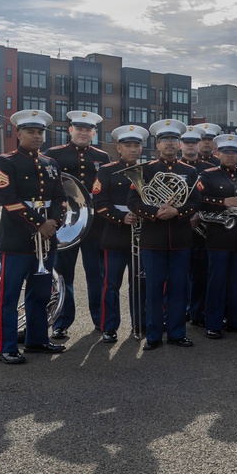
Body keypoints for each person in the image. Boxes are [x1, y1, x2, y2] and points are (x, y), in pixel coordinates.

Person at [0, 109, 68, 364]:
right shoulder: (7, 161)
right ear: (18, 133)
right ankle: (6, 347)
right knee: (10, 295)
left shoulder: (50, 163)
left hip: (47, 239)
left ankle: (36, 340)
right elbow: (8, 200)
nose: (36, 136)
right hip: (17, 239)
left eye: (40, 132)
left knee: (41, 294)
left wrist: (54, 222)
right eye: (31, 132)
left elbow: (60, 197)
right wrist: (39, 223)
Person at [131, 120, 202, 351]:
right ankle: (152, 335)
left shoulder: (190, 171)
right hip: (153, 240)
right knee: (153, 289)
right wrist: (154, 212)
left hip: (181, 239)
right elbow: (131, 201)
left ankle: (177, 333)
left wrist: (178, 211)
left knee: (179, 288)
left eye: (173, 140)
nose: (169, 143)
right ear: (158, 144)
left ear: (179, 144)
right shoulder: (145, 170)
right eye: (165, 140)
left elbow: (195, 201)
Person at [46, 110, 110, 340]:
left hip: (94, 225)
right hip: (65, 224)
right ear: (70, 130)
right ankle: (61, 321)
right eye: (79, 129)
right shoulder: (54, 154)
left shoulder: (102, 157)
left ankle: (101, 320)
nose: (83, 133)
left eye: (88, 130)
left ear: (94, 133)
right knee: (63, 275)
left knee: (98, 274)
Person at [92, 125, 150, 343]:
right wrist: (120, 217)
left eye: (137, 145)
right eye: (128, 145)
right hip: (115, 234)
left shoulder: (149, 169)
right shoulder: (106, 170)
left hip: (142, 234)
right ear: (119, 148)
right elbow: (99, 202)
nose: (133, 149)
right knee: (111, 284)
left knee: (139, 283)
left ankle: (140, 323)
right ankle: (109, 327)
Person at [197, 133, 237, 339]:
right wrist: (223, 202)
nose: (230, 156)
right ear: (217, 153)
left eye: (234, 152)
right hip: (218, 237)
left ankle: (235, 321)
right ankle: (213, 323)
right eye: (225, 152)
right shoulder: (208, 175)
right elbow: (198, 200)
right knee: (217, 281)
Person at [180, 125, 213, 328]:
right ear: (180, 144)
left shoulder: (209, 168)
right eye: (187, 142)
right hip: (179, 227)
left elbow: (209, 197)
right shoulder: (172, 167)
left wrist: (200, 213)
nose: (191, 146)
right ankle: (180, 311)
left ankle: (198, 311)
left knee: (200, 273)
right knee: (179, 274)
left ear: (199, 144)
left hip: (203, 229)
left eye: (194, 142)